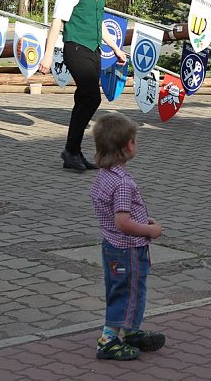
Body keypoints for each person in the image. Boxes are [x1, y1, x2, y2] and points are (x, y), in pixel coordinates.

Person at [39, 0, 128, 172]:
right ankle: (70, 149)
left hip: (93, 49)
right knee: (91, 97)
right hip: (76, 48)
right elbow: (57, 23)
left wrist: (116, 47)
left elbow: (99, 24)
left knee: (83, 99)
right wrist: (47, 56)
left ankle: (74, 151)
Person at [90, 112, 165, 361]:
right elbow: (122, 222)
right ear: (127, 145)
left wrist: (143, 220)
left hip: (111, 246)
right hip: (127, 249)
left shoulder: (105, 176)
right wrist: (150, 230)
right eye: (134, 140)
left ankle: (131, 331)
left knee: (120, 289)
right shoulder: (122, 183)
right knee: (129, 292)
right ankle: (108, 341)